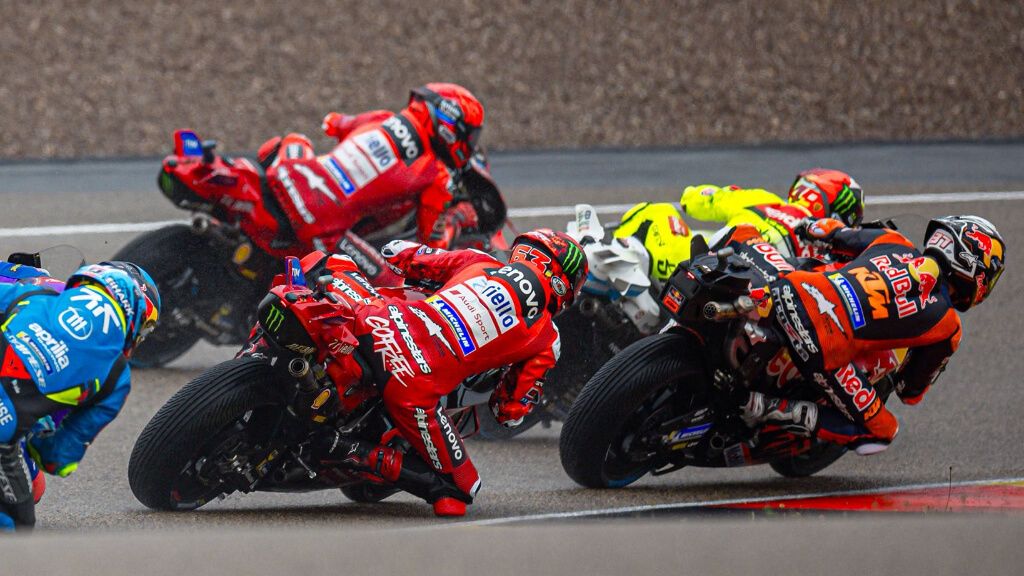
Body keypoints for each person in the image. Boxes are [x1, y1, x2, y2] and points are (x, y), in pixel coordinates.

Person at [309, 229, 587, 516]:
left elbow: (396, 252)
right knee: (462, 489)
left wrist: (433, 280)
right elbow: (508, 411)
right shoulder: (546, 337)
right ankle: (346, 450)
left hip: (379, 319)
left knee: (326, 263)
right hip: (411, 382)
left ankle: (265, 342)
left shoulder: (480, 261)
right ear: (561, 282)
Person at [740, 215, 1004, 454]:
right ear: (976, 267)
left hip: (790, 287)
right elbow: (909, 391)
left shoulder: (894, 241)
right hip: (823, 346)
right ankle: (767, 407)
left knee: (744, 233)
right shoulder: (948, 325)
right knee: (883, 432)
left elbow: (828, 231)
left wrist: (806, 227)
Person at [256, 83, 486, 284]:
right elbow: (432, 247)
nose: (470, 143)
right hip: (323, 223)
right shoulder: (437, 174)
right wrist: (455, 219)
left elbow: (333, 123)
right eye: (471, 136)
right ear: (450, 126)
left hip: (290, 175)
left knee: (295, 139)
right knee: (392, 281)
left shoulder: (382, 117)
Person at [0, 262, 160, 530]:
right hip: (7, 422)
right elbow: (57, 459)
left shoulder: (37, 290)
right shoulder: (115, 375)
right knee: (26, 507)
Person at [614, 168, 865, 280]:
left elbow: (692, 200)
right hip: (753, 303)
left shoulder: (764, 200)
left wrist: (709, 193)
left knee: (657, 211)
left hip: (698, 268)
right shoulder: (832, 253)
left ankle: (617, 255)